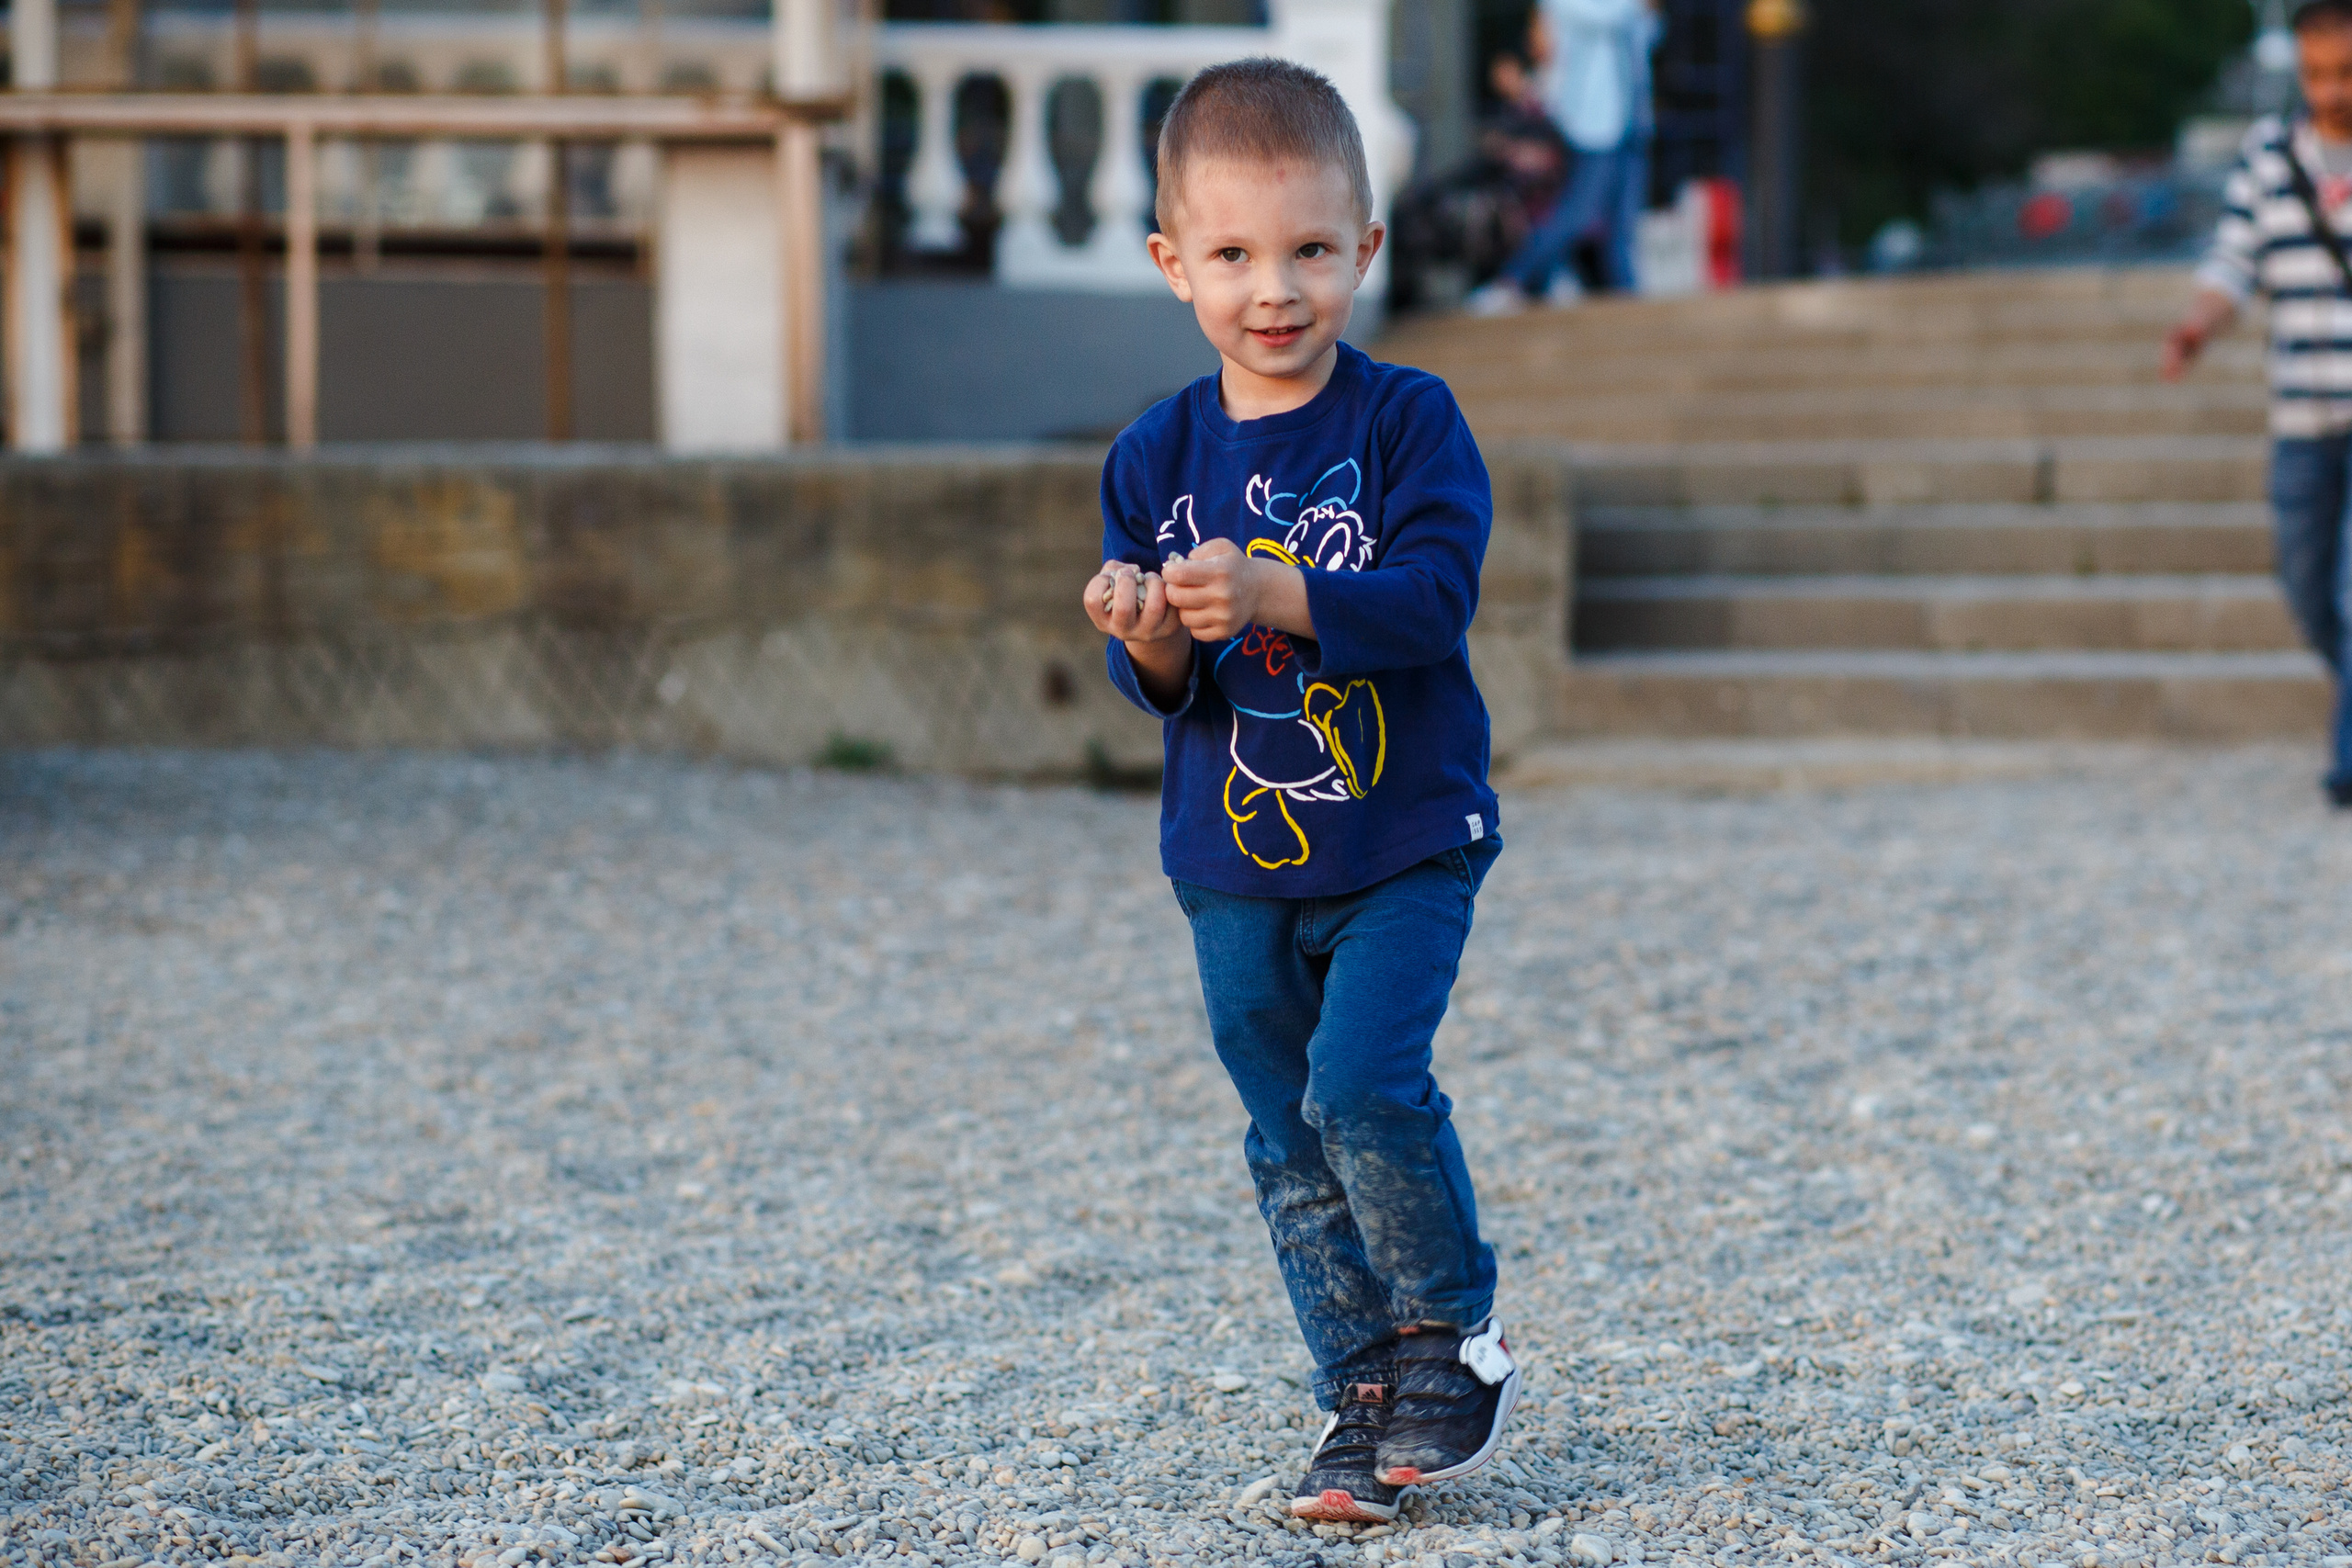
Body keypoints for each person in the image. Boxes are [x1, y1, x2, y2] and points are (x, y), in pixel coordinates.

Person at [1080, 58, 1521, 1526]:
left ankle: (1453, 1329)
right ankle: (1360, 1388)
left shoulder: (1407, 421)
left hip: (1401, 832)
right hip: (1230, 853)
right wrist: (1146, 639)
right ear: (1173, 265)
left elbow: (1434, 599)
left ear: (1366, 250)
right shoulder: (1154, 453)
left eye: (1312, 250)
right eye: (1234, 254)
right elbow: (1169, 692)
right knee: (1284, 1128)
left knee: (1363, 1087)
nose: (1275, 288)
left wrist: (1284, 585)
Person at [2169, 0, 2352, 807]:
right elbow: (2233, 259)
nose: (2332, 90)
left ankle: (2347, 762)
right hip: (2301, 418)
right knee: (2307, 588)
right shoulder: (2270, 159)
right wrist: (2197, 326)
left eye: (2346, 73)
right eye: (2317, 73)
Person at [1467, 0, 1662, 312]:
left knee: (1623, 225)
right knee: (1576, 213)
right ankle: (1511, 281)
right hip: (1594, 125)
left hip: (1633, 123)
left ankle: (1629, 298)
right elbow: (1613, 15)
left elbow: (1649, 32)